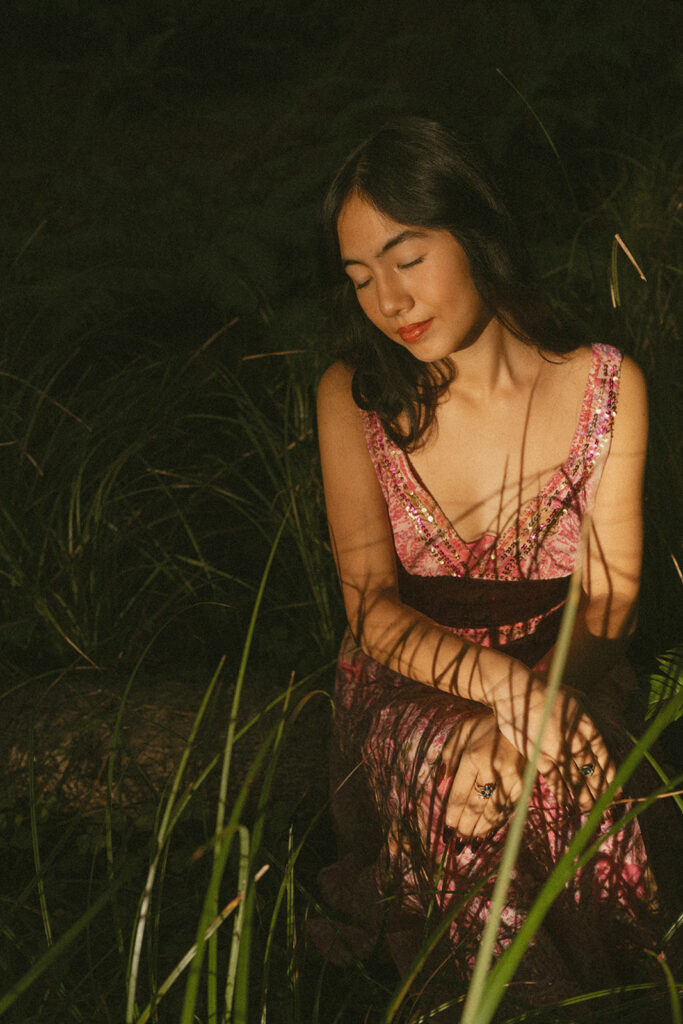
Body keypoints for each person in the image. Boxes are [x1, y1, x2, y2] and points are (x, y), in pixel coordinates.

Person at [313, 117, 656, 1006]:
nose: (389, 301)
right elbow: (371, 609)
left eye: (406, 257)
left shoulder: (603, 386)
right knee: (459, 776)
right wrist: (501, 699)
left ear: (474, 231)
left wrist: (537, 704)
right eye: (360, 278)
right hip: (408, 677)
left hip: (568, 664)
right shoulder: (356, 395)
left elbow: (610, 600)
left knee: (555, 779)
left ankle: (611, 993)